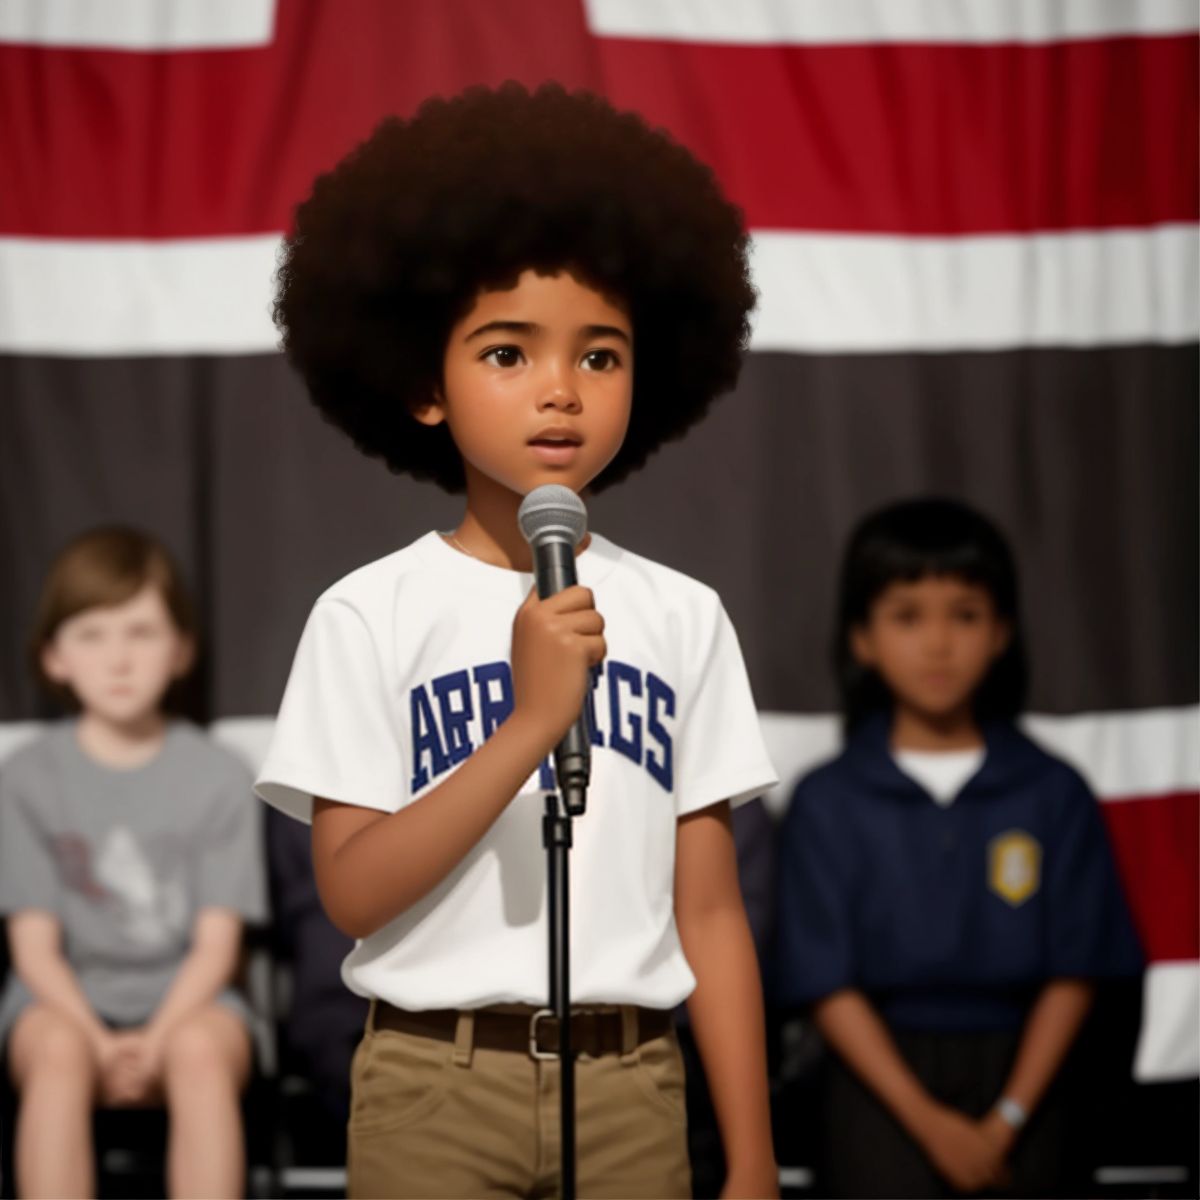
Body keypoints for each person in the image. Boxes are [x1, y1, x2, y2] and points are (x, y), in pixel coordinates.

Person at [255, 81, 779, 1199]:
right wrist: (532, 723)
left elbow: (712, 910)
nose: (560, 391)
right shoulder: (369, 612)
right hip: (434, 1084)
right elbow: (351, 893)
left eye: (600, 355)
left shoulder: (684, 615)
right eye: (508, 353)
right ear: (421, 382)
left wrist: (752, 1158)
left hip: (637, 1083)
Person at [775, 498, 1143, 1198]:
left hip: (1028, 1083)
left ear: (1002, 632)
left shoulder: (1052, 791)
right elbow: (825, 982)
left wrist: (1006, 1120)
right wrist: (930, 1124)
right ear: (862, 638)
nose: (938, 643)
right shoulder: (829, 799)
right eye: (908, 616)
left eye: (965, 615)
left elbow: (1078, 972)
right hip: (875, 1089)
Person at [0, 527, 268, 1199]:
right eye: (92, 635)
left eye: (141, 633)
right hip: (60, 1002)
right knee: (56, 1053)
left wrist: (158, 1038)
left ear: (180, 651)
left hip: (194, 1000)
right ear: (54, 658)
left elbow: (217, 947)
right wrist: (93, 1038)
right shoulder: (26, 777)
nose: (118, 658)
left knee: (200, 1052)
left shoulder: (218, 775)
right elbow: (33, 948)